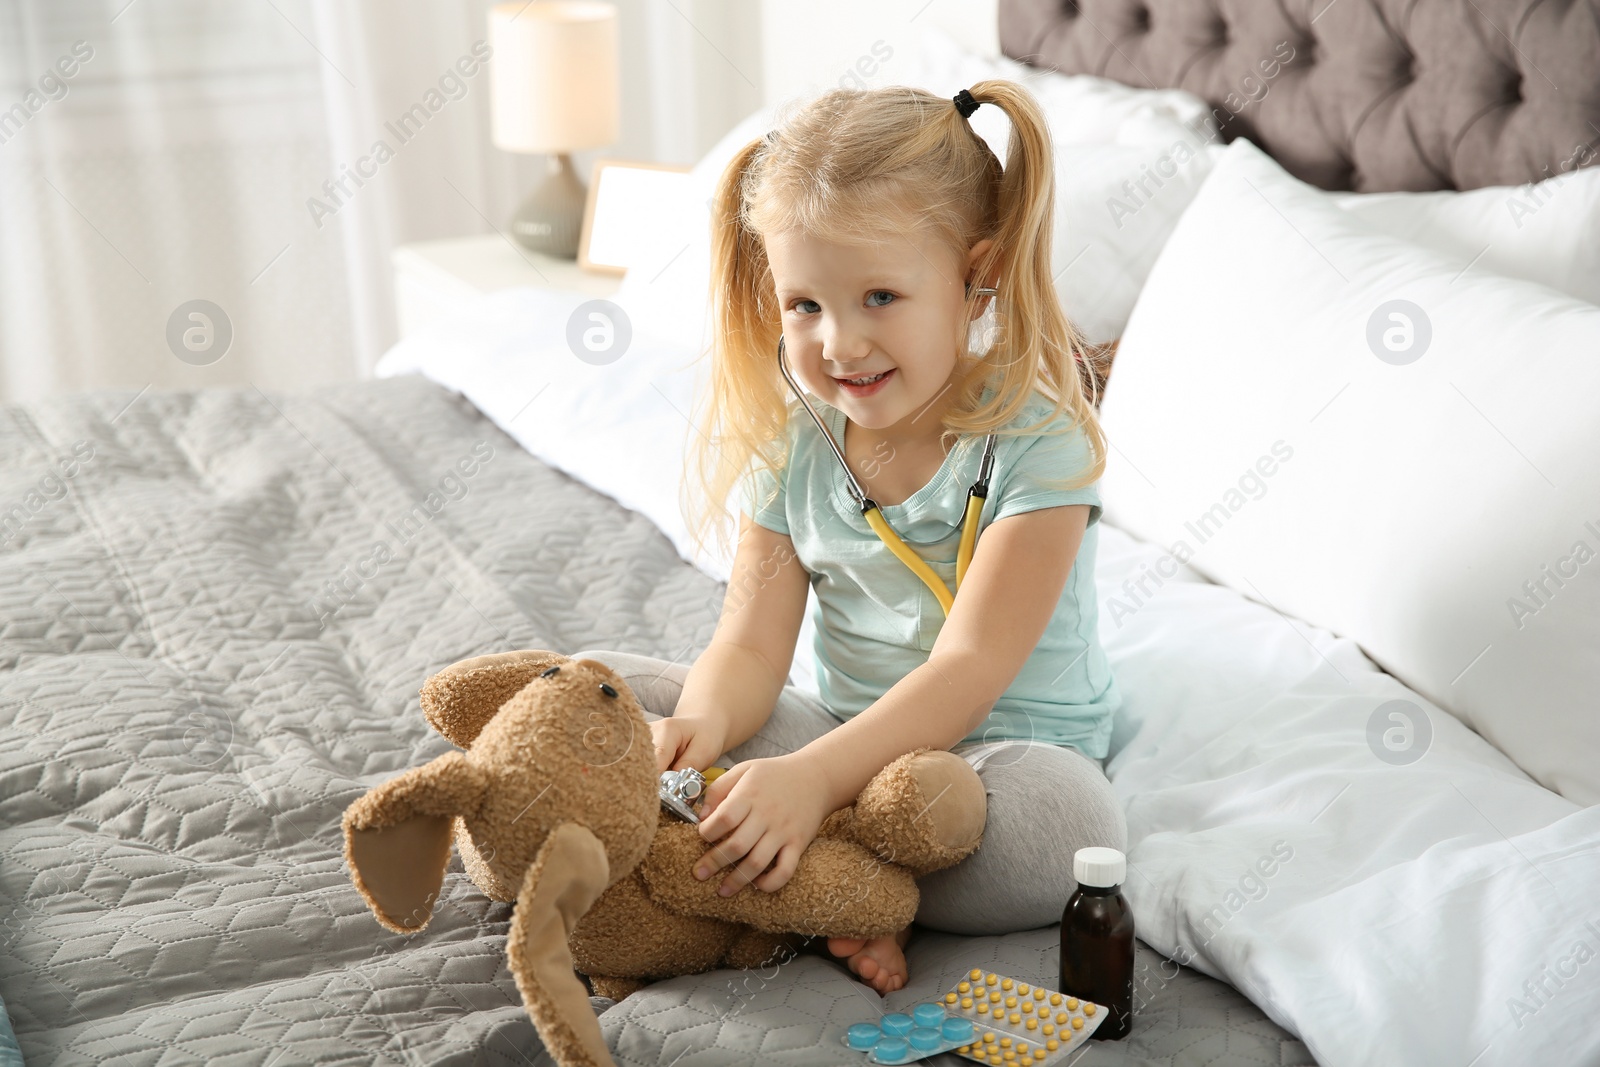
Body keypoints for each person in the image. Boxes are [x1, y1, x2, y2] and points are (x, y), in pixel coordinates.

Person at [569, 80, 1126, 997]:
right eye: (804, 306)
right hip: (840, 736)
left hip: (999, 761)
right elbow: (749, 644)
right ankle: (830, 879)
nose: (840, 342)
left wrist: (809, 781)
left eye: (879, 296)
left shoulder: (1039, 442)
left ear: (975, 275)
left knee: (1071, 834)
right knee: (600, 689)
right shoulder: (799, 443)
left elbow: (970, 668)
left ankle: (789, 874)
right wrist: (703, 724)